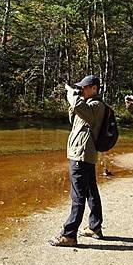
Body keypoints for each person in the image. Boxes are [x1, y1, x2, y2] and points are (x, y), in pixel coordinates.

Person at [49, 74, 106, 247]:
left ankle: (69, 234)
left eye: (85, 87)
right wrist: (73, 102)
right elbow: (73, 120)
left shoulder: (96, 105)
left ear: (94, 88)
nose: (81, 90)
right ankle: (95, 226)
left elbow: (85, 113)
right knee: (90, 191)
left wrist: (72, 96)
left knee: (78, 195)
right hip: (81, 154)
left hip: (82, 155)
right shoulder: (85, 105)